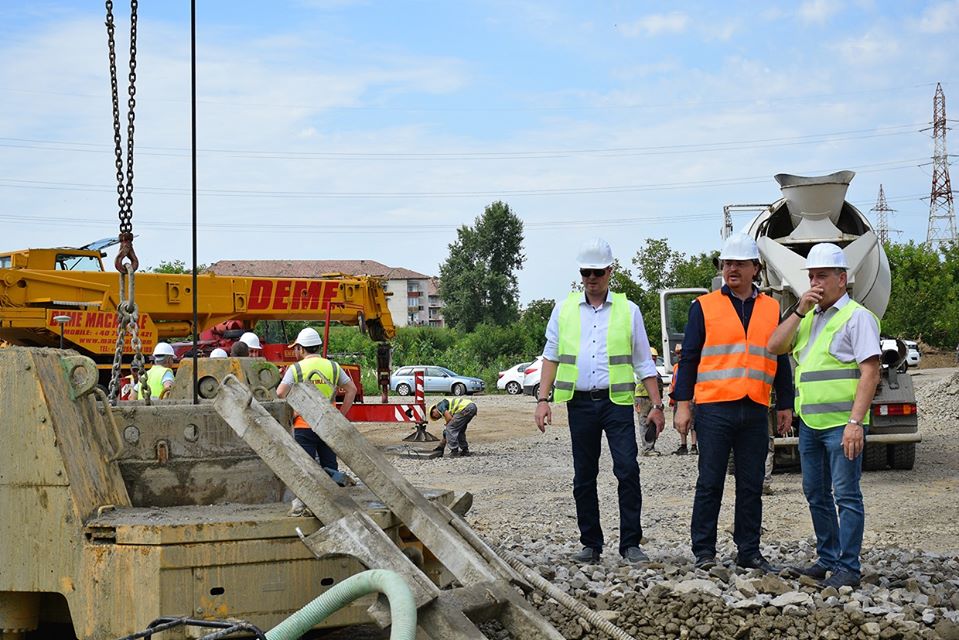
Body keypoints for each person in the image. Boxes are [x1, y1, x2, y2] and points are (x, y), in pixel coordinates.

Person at [534, 238, 665, 564]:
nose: (591, 278)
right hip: (579, 404)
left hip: (617, 403)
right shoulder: (563, 311)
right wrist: (542, 399)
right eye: (585, 272)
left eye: (597, 272)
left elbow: (643, 363)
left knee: (627, 470)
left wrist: (657, 405)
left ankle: (630, 544)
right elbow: (550, 357)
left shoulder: (628, 310)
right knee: (583, 476)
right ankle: (591, 544)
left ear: (609, 271)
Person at [672, 233, 794, 572]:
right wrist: (683, 405)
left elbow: (780, 358)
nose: (731, 269)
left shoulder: (772, 308)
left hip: (755, 407)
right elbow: (690, 360)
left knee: (751, 483)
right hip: (714, 409)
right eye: (726, 264)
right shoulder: (704, 307)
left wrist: (785, 404)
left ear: (755, 268)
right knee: (710, 481)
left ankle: (749, 551)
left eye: (739, 263)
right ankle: (704, 551)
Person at [767, 243, 880, 589]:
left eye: (822, 276)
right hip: (811, 425)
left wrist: (855, 423)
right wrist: (799, 309)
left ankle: (849, 567)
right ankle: (828, 558)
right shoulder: (809, 317)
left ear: (841, 279)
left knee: (846, 496)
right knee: (815, 492)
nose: (814, 283)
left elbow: (870, 372)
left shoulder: (856, 317)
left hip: (841, 425)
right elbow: (773, 346)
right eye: (811, 276)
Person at [276, 327, 357, 516]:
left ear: (302, 349)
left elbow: (280, 393)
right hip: (328, 425)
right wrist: (341, 415)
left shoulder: (296, 369)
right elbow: (351, 390)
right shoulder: (333, 367)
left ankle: (303, 505)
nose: (295, 351)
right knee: (329, 465)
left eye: (297, 348)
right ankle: (335, 506)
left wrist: (293, 411)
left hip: (304, 425)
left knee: (305, 467)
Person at [669, 344, 697, 455]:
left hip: (691, 397)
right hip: (678, 397)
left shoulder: (693, 365)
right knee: (680, 422)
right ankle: (683, 445)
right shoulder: (676, 367)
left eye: (680, 352)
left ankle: (694, 446)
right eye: (677, 353)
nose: (679, 355)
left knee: (693, 423)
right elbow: (674, 381)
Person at [637, 347, 665, 456]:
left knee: (653, 424)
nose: (653, 360)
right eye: (651, 358)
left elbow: (660, 388)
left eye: (655, 358)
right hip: (642, 398)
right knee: (644, 423)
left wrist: (659, 403)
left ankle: (651, 447)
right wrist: (636, 402)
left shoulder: (656, 373)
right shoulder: (641, 371)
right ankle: (647, 449)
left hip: (652, 400)